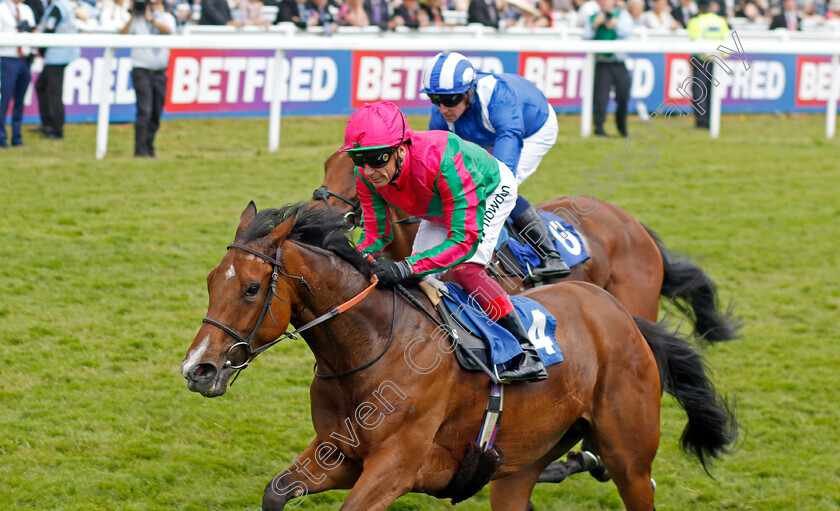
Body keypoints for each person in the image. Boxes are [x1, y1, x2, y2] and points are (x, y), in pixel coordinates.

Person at [343, 101, 547, 382]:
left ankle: (526, 351)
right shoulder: (366, 177)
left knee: (465, 268)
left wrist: (406, 266)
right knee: (419, 278)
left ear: (401, 149)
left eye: (377, 158)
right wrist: (353, 256)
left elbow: (464, 241)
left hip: (488, 190)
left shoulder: (444, 161)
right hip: (439, 204)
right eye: (358, 159)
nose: (368, 171)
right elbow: (377, 235)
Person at [420, 52, 570, 279]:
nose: (443, 108)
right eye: (435, 99)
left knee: (499, 187)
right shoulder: (444, 107)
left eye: (450, 100)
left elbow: (504, 168)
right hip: (487, 134)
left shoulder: (498, 97)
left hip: (532, 129)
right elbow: (434, 156)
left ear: (469, 90)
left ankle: (550, 256)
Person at [120, 0, 175, 157]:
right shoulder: (136, 20)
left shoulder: (165, 17)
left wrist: (150, 19)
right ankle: (140, 150)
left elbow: (168, 30)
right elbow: (121, 36)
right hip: (141, 69)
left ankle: (149, 147)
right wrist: (132, 16)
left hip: (159, 71)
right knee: (144, 110)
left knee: (156, 112)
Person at [582, 0, 633, 137]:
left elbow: (628, 32)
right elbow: (585, 37)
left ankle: (622, 127)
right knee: (600, 98)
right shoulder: (593, 16)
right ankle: (599, 129)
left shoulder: (622, 15)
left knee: (623, 95)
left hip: (618, 61)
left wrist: (616, 25)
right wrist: (595, 25)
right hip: (602, 62)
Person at [34, 0, 79, 141]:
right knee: (41, 86)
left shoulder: (57, 7)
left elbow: (49, 29)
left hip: (57, 55)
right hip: (63, 52)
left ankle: (56, 130)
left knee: (54, 93)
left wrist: (41, 49)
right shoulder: (65, 5)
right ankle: (47, 124)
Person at [686, 0, 728, 129]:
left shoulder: (695, 22)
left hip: (701, 60)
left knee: (699, 91)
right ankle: (712, 120)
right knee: (712, 91)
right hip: (717, 60)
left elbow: (697, 42)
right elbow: (727, 42)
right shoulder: (721, 21)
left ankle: (701, 122)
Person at [0, 0, 36, 148]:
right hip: (8, 59)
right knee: (5, 100)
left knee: (20, 101)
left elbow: (33, 30)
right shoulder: (2, 9)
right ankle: (1, 137)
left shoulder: (26, 9)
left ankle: (17, 137)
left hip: (24, 60)